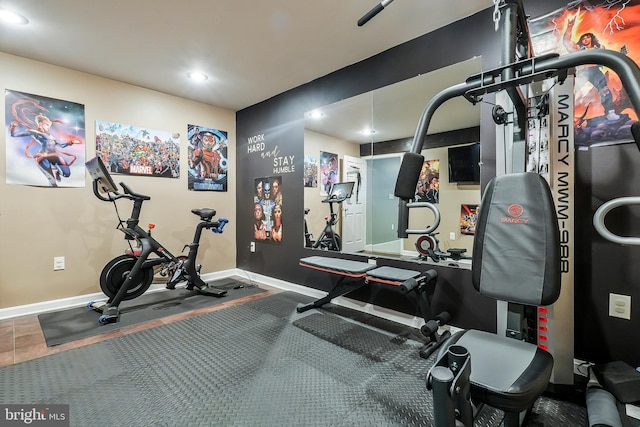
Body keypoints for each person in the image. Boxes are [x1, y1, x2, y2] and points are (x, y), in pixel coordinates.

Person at [563, 12, 620, 121]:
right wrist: (570, 27)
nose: (585, 39)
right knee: (571, 91)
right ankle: (563, 113)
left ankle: (610, 112)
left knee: (605, 90)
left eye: (587, 37)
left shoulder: (599, 48)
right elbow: (567, 42)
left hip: (595, 71)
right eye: (583, 38)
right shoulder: (578, 49)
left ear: (591, 38)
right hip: (582, 72)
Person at [9, 113, 77, 187]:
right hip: (43, 157)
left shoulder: (50, 136)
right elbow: (14, 135)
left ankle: (58, 173)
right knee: (52, 181)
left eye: (49, 126)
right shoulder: (34, 132)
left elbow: (60, 145)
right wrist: (13, 127)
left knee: (67, 174)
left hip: (53, 156)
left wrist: (69, 143)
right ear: (41, 123)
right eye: (47, 125)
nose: (48, 128)